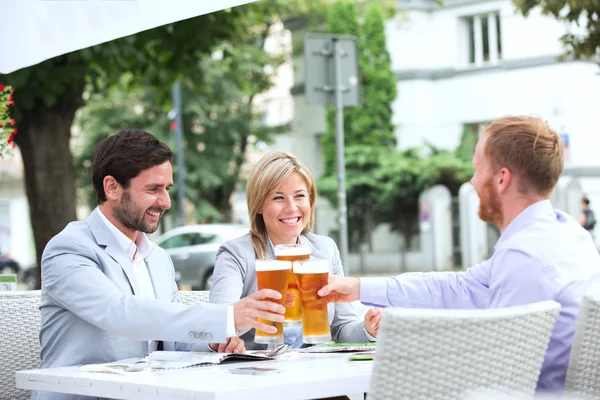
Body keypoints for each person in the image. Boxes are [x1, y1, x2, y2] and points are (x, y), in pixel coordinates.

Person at [317, 115, 600, 393]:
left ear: (501, 179)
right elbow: (458, 287)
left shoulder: (525, 257)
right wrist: (358, 288)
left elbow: (503, 374)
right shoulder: (567, 233)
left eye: (477, 169)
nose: (473, 182)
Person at [36, 130, 285, 400]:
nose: (165, 202)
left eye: (167, 189)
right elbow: (119, 312)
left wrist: (212, 342)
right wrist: (225, 318)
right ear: (112, 187)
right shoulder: (69, 249)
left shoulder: (158, 258)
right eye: (153, 189)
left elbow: (174, 344)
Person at [209, 152, 382, 350]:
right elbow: (219, 322)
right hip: (259, 372)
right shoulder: (236, 253)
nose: (291, 208)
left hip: (312, 368)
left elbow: (342, 327)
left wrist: (368, 329)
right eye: (278, 198)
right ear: (258, 205)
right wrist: (233, 331)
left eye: (299, 196)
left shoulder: (326, 250)